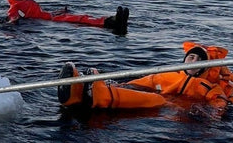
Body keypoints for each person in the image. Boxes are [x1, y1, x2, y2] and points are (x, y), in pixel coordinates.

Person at [58, 41, 230, 110]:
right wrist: (119, 85)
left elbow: (219, 104)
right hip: (156, 99)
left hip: (173, 109)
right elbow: (139, 83)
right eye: (191, 57)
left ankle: (100, 94)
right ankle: (76, 92)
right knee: (146, 94)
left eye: (200, 60)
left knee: (158, 100)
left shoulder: (207, 86)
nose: (194, 61)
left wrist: (207, 115)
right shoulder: (166, 75)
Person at [7, 0, 129, 35]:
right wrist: (13, 22)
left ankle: (110, 20)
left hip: (50, 17)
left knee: (80, 17)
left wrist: (59, 11)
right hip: (47, 21)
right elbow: (12, 16)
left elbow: (41, 12)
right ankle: (110, 22)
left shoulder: (26, 3)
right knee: (78, 19)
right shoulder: (15, 6)